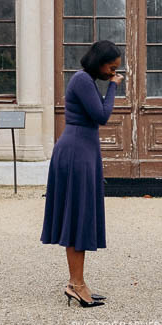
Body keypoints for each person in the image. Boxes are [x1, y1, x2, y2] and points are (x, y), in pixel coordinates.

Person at [40, 39, 124, 307]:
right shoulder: (82, 80)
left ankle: (79, 282)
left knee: (81, 216)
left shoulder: (86, 80)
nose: (113, 73)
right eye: (111, 68)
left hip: (82, 150)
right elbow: (102, 115)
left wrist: (109, 83)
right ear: (99, 62)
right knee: (77, 218)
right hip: (76, 152)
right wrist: (113, 86)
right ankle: (75, 285)